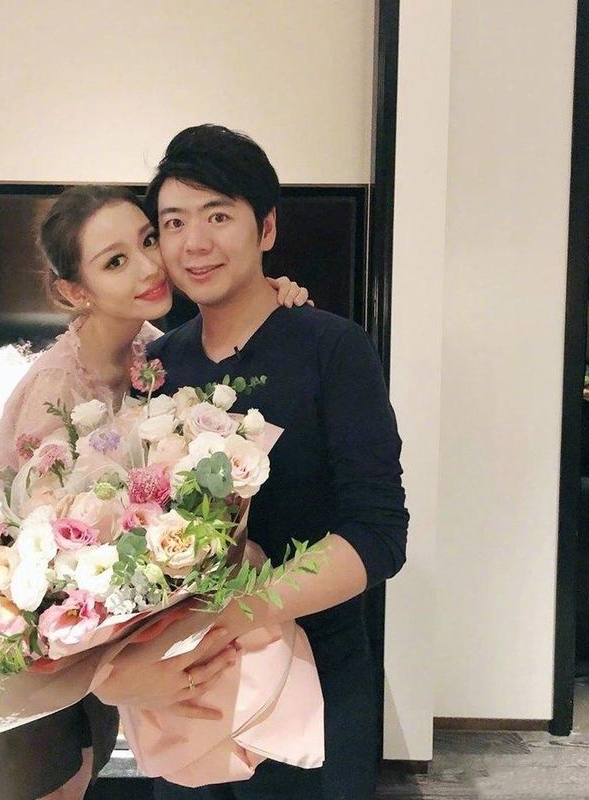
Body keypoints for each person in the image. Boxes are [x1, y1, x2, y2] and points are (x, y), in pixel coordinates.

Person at [0, 184, 311, 800]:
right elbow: (41, 560)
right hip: (27, 650)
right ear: (74, 291)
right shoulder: (55, 391)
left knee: (82, 775)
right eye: (116, 261)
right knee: (42, 785)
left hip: (96, 638)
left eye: (148, 241)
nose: (148, 266)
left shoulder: (152, 352)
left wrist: (268, 294)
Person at [136, 124, 409, 800]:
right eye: (174, 223)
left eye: (218, 216)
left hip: (314, 677)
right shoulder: (156, 366)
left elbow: (378, 534)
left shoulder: (333, 349)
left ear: (266, 228)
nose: (194, 243)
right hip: (189, 689)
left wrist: (239, 612)